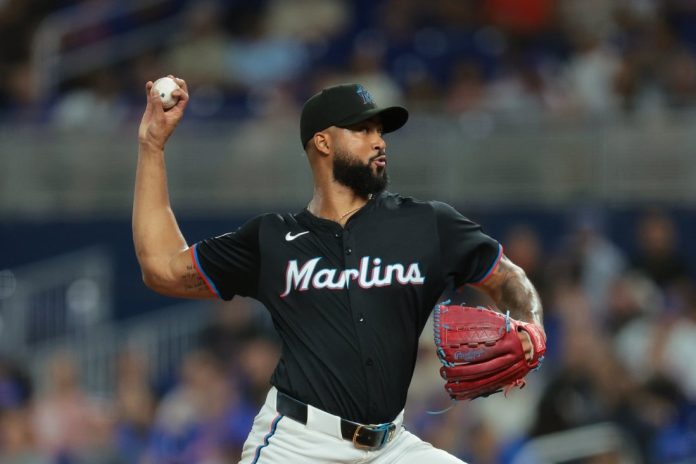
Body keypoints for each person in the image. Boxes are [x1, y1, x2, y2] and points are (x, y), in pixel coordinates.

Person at [133, 77, 545, 463]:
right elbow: (162, 268)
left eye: (380, 131)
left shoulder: (427, 224)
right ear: (323, 142)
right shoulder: (273, 239)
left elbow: (508, 277)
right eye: (362, 129)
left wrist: (531, 325)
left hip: (391, 446)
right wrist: (152, 146)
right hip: (297, 443)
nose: (378, 141)